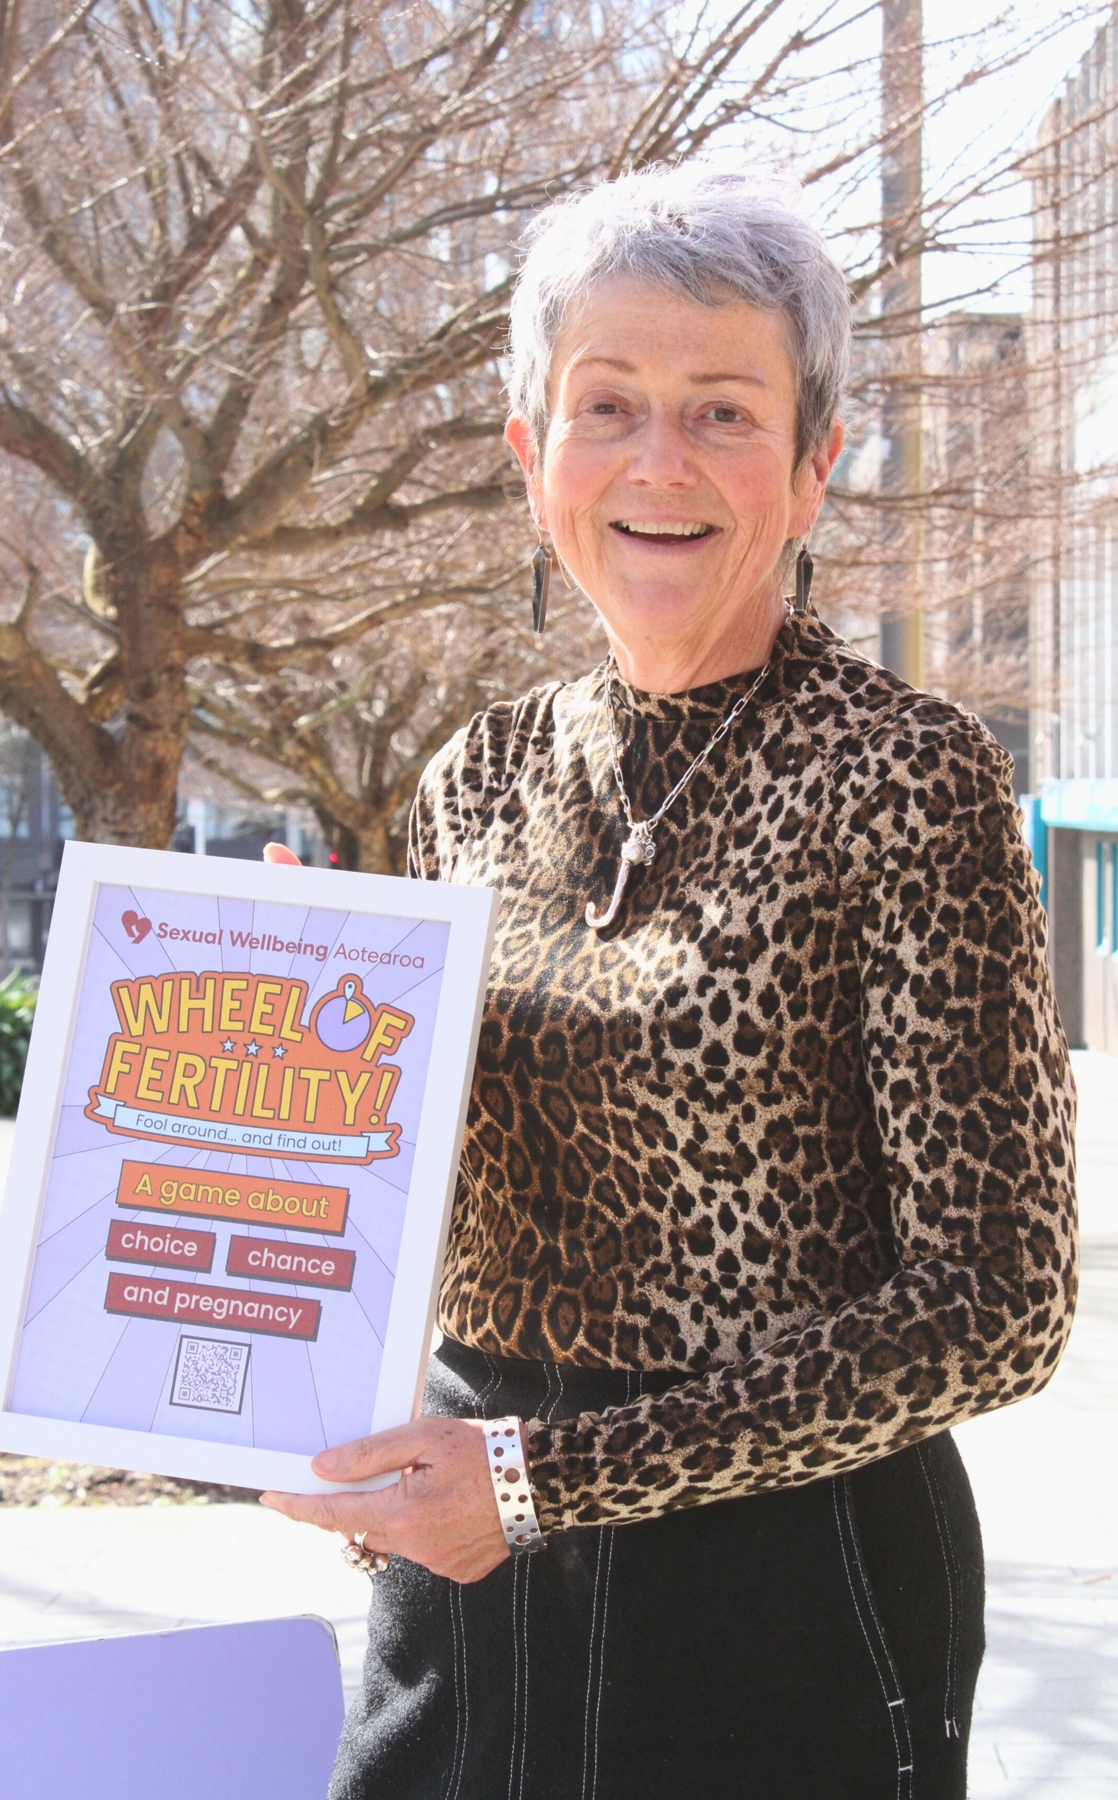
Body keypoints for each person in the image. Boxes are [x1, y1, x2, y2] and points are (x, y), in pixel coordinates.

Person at [261, 166, 1077, 1800]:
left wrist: (552, 1479)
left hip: (784, 1586)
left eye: (723, 411)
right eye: (608, 404)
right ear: (531, 454)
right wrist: (301, 1068)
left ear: (814, 465)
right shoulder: (472, 779)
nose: (659, 460)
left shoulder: (915, 782)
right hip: (469, 1553)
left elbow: (1003, 1302)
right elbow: (405, 1205)